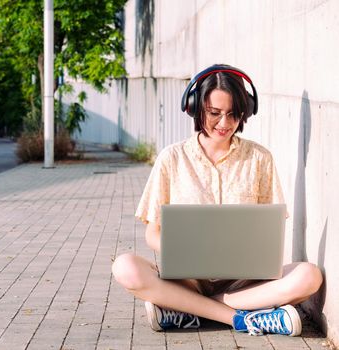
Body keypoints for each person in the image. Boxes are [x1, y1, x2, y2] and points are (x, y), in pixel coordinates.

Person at [111, 64, 323, 336]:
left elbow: (269, 231)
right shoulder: (172, 158)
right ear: (195, 107)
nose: (224, 124)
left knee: (309, 276)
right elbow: (153, 232)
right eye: (214, 113)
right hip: (187, 281)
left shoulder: (260, 158)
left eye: (233, 114)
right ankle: (243, 319)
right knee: (125, 267)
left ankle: (186, 311)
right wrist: (182, 249)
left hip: (245, 284)